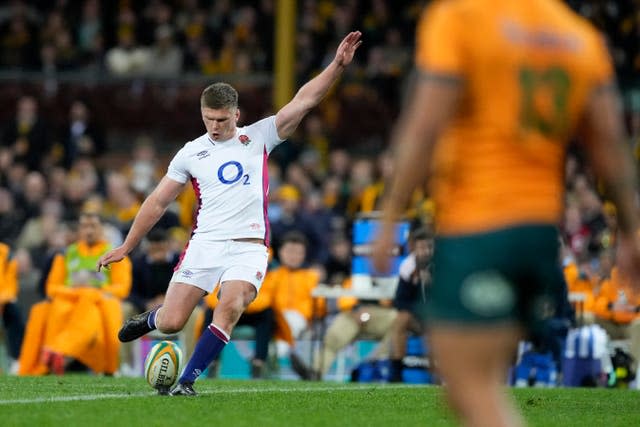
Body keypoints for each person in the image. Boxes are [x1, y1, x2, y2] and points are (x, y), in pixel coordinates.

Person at [371, 2, 640, 426]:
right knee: (478, 383)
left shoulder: (460, 17)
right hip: (538, 233)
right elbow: (610, 147)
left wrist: (389, 218)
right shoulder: (579, 37)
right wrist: (631, 231)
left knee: (469, 384)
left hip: (480, 226)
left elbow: (423, 127)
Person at [97, 31, 362, 396]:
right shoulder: (190, 153)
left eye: (222, 119)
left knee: (232, 304)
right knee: (173, 322)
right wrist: (127, 246)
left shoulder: (260, 136)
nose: (215, 126)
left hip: (248, 246)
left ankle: (187, 381)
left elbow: (304, 101)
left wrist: (336, 66)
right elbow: (158, 202)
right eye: (209, 119)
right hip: (204, 243)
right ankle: (153, 319)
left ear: (236, 114)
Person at [19, 211, 132, 375]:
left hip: (97, 301)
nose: (89, 231)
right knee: (41, 310)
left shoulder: (115, 255)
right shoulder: (66, 254)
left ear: (102, 229)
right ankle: (36, 364)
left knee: (94, 308)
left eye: (93, 226)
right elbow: (51, 287)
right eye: (85, 226)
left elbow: (122, 288)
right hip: (69, 301)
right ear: (78, 230)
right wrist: (76, 292)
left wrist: (94, 292)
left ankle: (58, 352)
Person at [388, 227, 433, 383]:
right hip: (420, 318)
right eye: (421, 248)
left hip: (441, 319)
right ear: (415, 248)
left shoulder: (442, 265)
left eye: (428, 247)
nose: (425, 252)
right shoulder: (408, 267)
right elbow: (399, 301)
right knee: (401, 319)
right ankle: (396, 372)